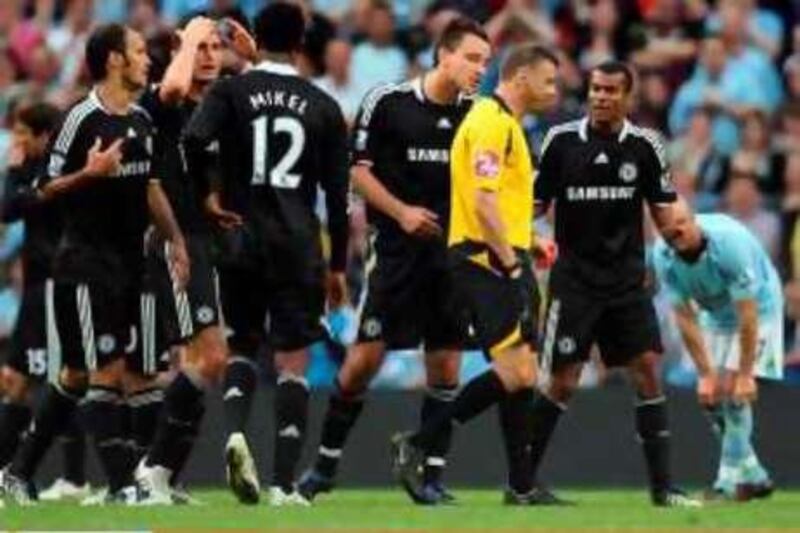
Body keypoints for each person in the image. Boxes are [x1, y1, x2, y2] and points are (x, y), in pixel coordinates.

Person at [297, 17, 491, 506]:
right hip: (398, 255)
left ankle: (429, 476)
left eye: (485, 61)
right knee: (364, 361)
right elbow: (357, 172)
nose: (479, 69)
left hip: (453, 257)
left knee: (446, 366)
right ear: (443, 55)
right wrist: (402, 212)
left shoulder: (481, 114)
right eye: (471, 58)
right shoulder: (388, 102)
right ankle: (323, 467)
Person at [0, 23, 189, 505]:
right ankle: (123, 486)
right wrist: (89, 172)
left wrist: (177, 241)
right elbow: (41, 189)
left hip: (129, 264)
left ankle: (17, 471)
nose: (149, 60)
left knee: (79, 377)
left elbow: (150, 188)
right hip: (83, 265)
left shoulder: (141, 121)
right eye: (140, 52)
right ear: (114, 61)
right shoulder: (79, 119)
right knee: (106, 372)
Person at [184, 2, 349, 506]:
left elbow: (193, 139)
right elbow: (338, 201)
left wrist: (209, 195)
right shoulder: (323, 105)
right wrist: (339, 266)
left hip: (240, 237)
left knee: (241, 346)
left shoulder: (232, 91)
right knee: (293, 361)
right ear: (302, 42)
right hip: (298, 244)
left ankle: (235, 432)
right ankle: (282, 485)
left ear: (254, 37)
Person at [391, 43, 559, 505]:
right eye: (549, 81)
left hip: (501, 254)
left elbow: (497, 199)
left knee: (521, 373)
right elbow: (483, 201)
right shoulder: (490, 121)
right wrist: (509, 261)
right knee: (518, 368)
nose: (554, 90)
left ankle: (521, 485)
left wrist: (528, 242)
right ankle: (419, 442)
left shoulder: (505, 124)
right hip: (486, 261)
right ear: (521, 77)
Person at [529, 61, 701, 508]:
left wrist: (686, 248)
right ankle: (523, 483)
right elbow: (535, 203)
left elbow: (664, 210)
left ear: (628, 97)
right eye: (595, 88)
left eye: (610, 90)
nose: (601, 96)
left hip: (626, 281)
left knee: (647, 369)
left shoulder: (646, 147)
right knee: (562, 381)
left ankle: (663, 489)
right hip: (575, 283)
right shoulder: (561, 141)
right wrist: (515, 234)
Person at [133, 15, 256, 504]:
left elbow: (271, 102)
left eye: (214, 48)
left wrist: (254, 59)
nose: (209, 56)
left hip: (206, 238)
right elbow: (173, 87)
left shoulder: (216, 105)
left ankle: (165, 476)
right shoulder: (158, 101)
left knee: (196, 363)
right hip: (174, 240)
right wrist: (188, 37)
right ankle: (152, 471)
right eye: (199, 48)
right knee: (210, 357)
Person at [653, 199, 780, 501]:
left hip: (759, 309)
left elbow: (748, 315)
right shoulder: (663, 256)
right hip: (715, 315)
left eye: (683, 223)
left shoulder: (729, 245)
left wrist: (746, 374)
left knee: (732, 391)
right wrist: (704, 374)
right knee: (711, 397)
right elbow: (684, 317)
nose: (677, 231)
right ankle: (755, 477)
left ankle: (726, 484)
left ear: (694, 219)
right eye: (670, 229)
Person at [0, 102, 90, 502]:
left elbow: (8, 209)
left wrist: (14, 171)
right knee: (22, 382)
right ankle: (12, 473)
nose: (16, 142)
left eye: (22, 134)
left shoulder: (54, 172)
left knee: (59, 379)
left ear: (41, 136)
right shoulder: (40, 172)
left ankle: (69, 476)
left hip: (57, 287)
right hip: (39, 291)